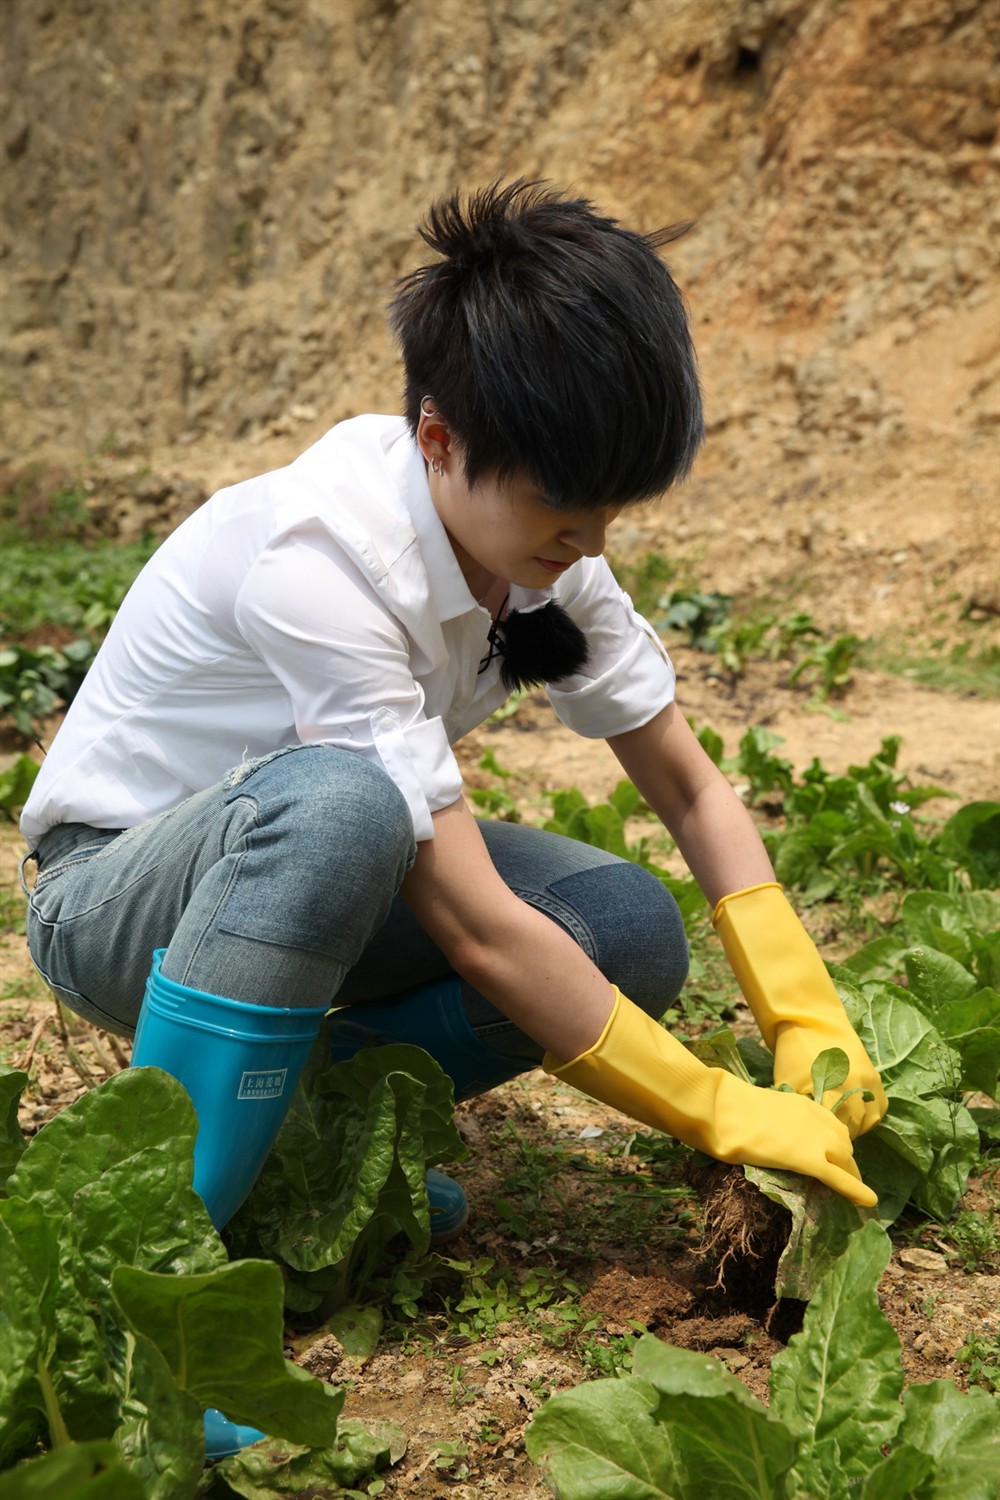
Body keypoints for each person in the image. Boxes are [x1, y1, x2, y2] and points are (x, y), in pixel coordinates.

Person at [20, 181, 887, 1416]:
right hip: (113, 899)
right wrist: (709, 1108)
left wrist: (802, 1010)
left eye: (609, 508)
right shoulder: (321, 559)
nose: (587, 540)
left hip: (305, 883)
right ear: (436, 437)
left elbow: (688, 785)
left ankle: (296, 1142)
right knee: (343, 805)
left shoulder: (544, 550)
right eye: (558, 503)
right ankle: (155, 1291)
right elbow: (475, 921)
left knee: (625, 927)